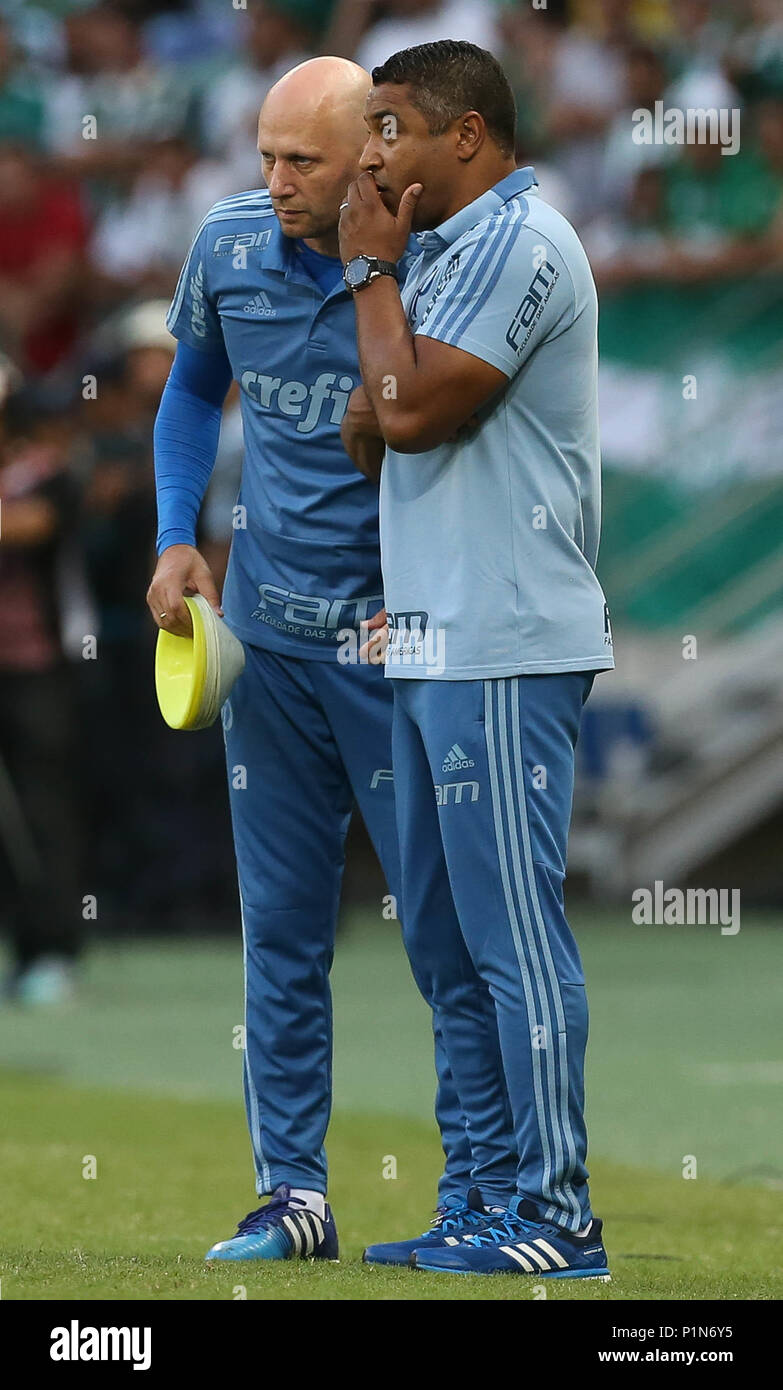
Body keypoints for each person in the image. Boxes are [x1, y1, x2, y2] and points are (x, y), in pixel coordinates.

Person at [147, 55, 510, 1264]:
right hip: (266, 646)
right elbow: (191, 392)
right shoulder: (227, 245)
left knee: (443, 934)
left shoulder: (441, 263)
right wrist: (174, 537)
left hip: (401, 644)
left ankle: (478, 1195)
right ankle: (292, 1196)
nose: (275, 180)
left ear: (371, 153)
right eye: (264, 154)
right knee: (281, 930)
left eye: (301, 160)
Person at [340, 40, 614, 1278]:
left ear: (468, 135)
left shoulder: (522, 240)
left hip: (504, 637)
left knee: (512, 941)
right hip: (431, 632)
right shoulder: (441, 254)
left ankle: (560, 1219)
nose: (371, 152)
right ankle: (483, 1198)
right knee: (447, 949)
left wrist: (370, 278)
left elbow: (407, 412)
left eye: (390, 127)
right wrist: (385, 317)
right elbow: (373, 433)